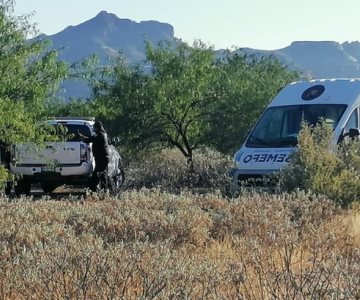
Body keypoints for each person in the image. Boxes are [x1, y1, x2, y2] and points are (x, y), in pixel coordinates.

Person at [78, 120, 110, 191]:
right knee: (100, 175)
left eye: (94, 127)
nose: (94, 129)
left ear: (98, 127)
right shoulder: (101, 134)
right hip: (101, 158)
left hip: (102, 159)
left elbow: (90, 139)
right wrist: (83, 137)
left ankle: (95, 189)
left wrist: (82, 137)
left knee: (98, 174)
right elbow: (91, 139)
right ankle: (101, 190)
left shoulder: (101, 135)